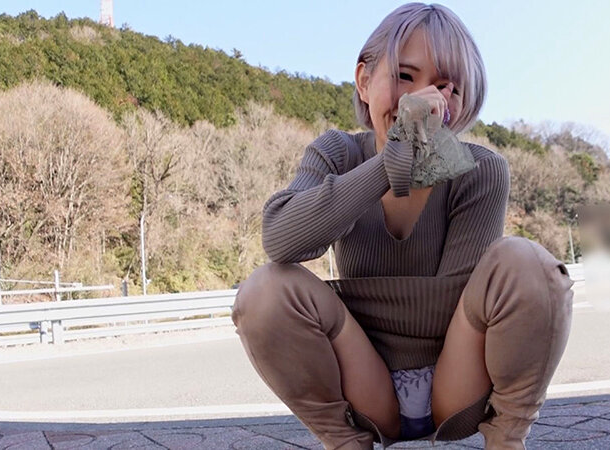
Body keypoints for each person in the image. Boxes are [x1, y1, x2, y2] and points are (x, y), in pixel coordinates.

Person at [231, 3, 573, 449]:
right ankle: (344, 441)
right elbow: (281, 238)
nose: (424, 99)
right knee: (264, 291)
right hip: (365, 381)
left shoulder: (481, 169)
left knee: (528, 263)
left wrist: (355, 296)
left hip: (456, 378)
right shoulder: (337, 153)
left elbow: (459, 300)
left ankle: (507, 439)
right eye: (405, 76)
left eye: (447, 87)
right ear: (364, 80)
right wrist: (390, 161)